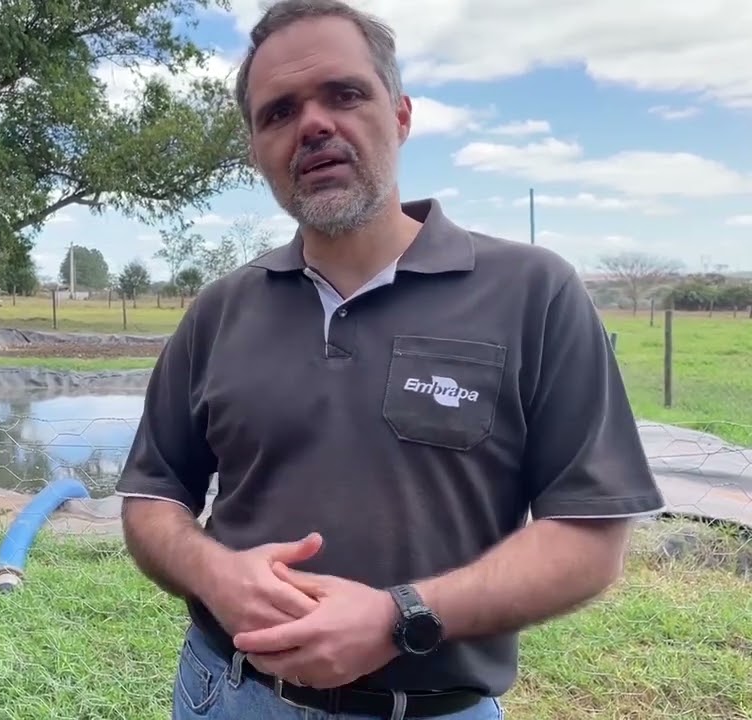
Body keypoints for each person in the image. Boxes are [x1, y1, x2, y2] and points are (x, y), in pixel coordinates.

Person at [115, 1, 666, 719]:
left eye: (344, 94)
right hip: (227, 692)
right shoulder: (222, 310)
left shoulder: (531, 293)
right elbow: (152, 497)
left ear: (401, 115)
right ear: (256, 150)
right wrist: (215, 574)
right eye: (278, 113)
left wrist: (398, 615)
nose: (312, 124)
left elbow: (591, 538)